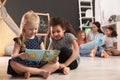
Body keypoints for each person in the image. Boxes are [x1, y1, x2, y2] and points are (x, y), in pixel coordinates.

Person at [7, 10, 59, 79]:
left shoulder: (39, 40)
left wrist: (52, 58)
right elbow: (13, 55)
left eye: (36, 29)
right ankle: (40, 72)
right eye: (31, 29)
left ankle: (31, 72)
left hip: (37, 64)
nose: (34, 31)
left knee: (57, 64)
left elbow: (44, 54)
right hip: (24, 64)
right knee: (12, 63)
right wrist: (20, 56)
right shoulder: (19, 40)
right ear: (24, 27)